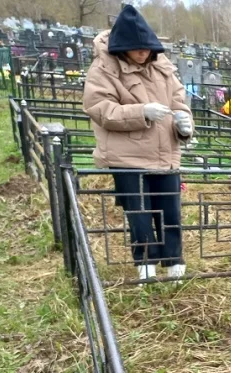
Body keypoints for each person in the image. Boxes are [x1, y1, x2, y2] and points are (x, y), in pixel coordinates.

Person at [83, 5, 194, 281]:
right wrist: (141, 112)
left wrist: (184, 123)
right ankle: (146, 267)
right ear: (122, 46)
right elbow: (99, 108)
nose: (144, 53)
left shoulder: (161, 65)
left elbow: (178, 100)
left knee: (170, 209)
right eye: (137, 48)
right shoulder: (104, 68)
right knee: (140, 213)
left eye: (147, 47)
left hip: (165, 152)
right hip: (128, 156)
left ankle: (174, 264)